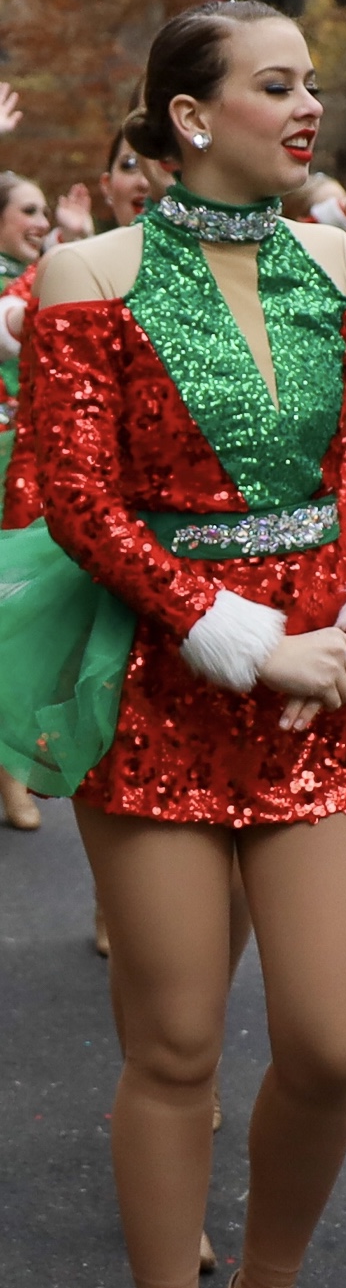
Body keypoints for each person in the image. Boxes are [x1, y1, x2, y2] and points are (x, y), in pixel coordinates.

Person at [1, 0, 346, 1288]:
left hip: (328, 687)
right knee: (176, 1040)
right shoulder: (90, 271)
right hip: (169, 686)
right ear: (193, 115)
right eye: (279, 84)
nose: (309, 105)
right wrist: (238, 632)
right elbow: (80, 500)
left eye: (311, 83)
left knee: (331, 1041)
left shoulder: (337, 257)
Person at [0, 170, 53, 830]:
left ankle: (10, 776)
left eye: (45, 210)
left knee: (12, 615)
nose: (40, 221)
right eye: (28, 209)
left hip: (24, 468)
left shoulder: (54, 274)